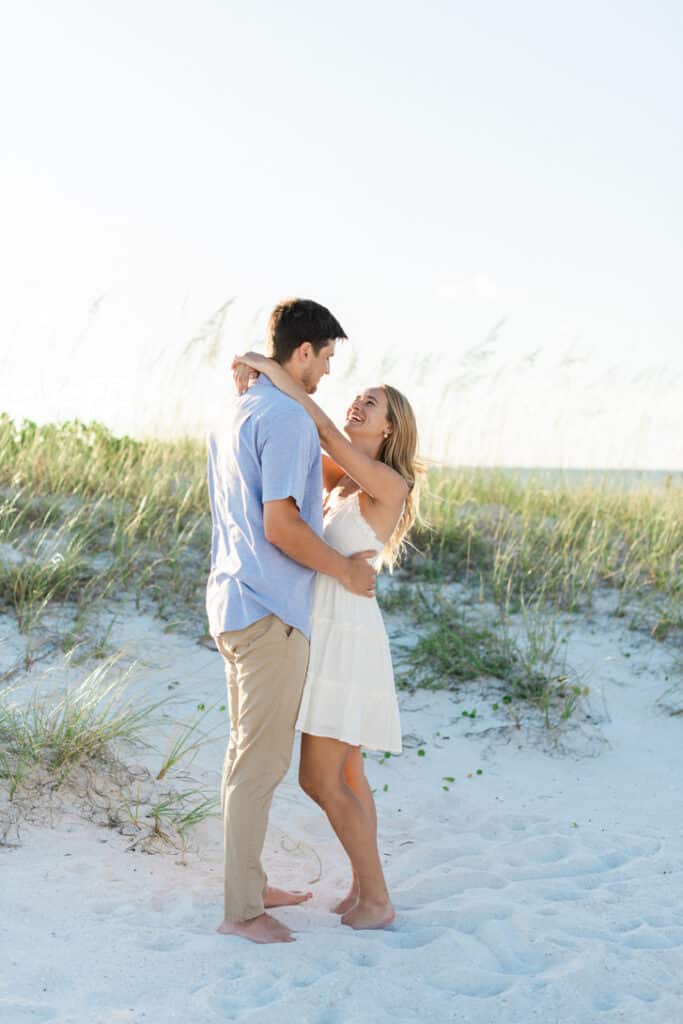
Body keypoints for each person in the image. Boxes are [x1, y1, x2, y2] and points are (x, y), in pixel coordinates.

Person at [232, 349, 422, 931]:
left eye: (374, 403)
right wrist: (251, 392)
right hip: (330, 629)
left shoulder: (388, 481)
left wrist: (266, 364)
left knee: (318, 776)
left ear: (390, 427)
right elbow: (288, 445)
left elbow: (317, 426)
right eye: (358, 397)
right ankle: (366, 890)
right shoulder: (339, 480)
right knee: (347, 776)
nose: (359, 403)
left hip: (349, 638)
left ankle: (379, 898)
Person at [207, 298, 377, 945]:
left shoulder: (236, 408)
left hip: (232, 603)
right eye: (326, 357)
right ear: (301, 352)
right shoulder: (284, 418)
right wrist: (341, 569)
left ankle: (246, 887)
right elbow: (281, 526)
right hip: (270, 612)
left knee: (241, 757)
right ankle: (241, 912)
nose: (328, 373)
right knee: (259, 765)